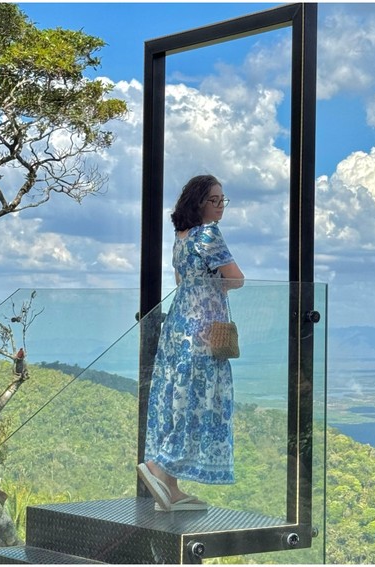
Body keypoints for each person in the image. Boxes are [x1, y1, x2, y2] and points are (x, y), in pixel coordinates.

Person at [137, 174, 244, 512]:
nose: (220, 206)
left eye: (223, 200)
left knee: (177, 399)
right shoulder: (209, 234)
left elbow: (183, 281)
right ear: (198, 202)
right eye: (215, 200)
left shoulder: (181, 238)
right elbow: (236, 278)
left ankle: (169, 487)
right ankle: (159, 466)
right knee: (200, 402)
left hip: (177, 327)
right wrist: (219, 286)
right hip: (203, 333)